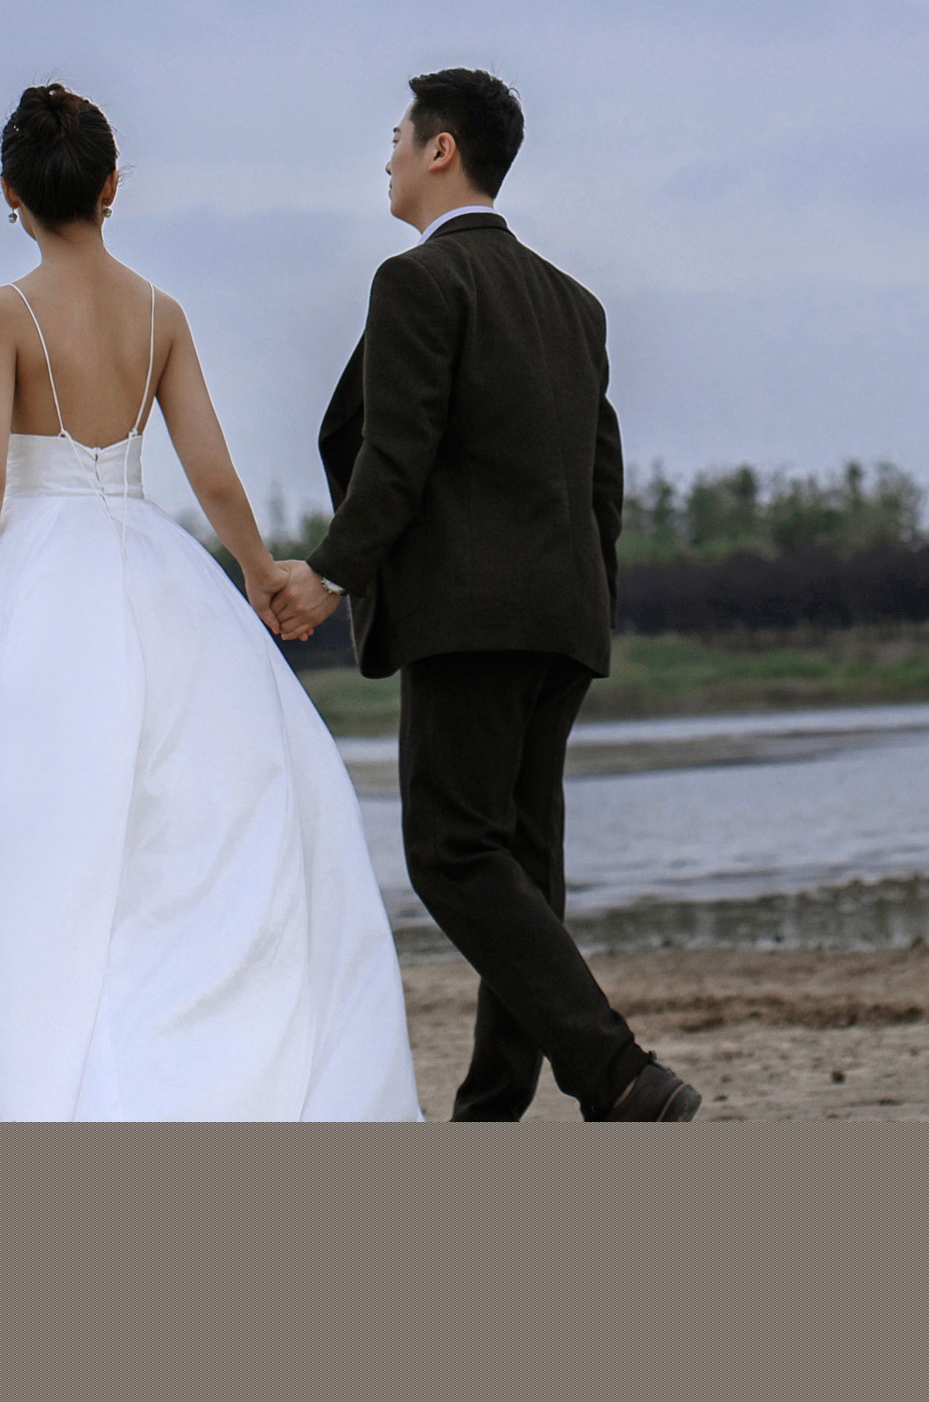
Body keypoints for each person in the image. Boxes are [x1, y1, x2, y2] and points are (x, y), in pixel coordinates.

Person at [0, 82, 419, 1123]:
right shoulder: (161, 314)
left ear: (9, 193)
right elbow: (213, 472)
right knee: (169, 839)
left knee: (52, 850)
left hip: (40, 593)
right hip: (157, 580)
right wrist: (260, 573)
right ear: (112, 185)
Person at [273, 69, 700, 1122]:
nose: (385, 157)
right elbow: (601, 478)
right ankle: (493, 1109)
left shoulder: (415, 283)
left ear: (441, 150)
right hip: (563, 619)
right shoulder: (574, 303)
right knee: (521, 865)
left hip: (466, 620)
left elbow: (396, 455)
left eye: (397, 136)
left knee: (452, 853)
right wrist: (588, 605)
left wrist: (330, 574)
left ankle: (616, 1073)